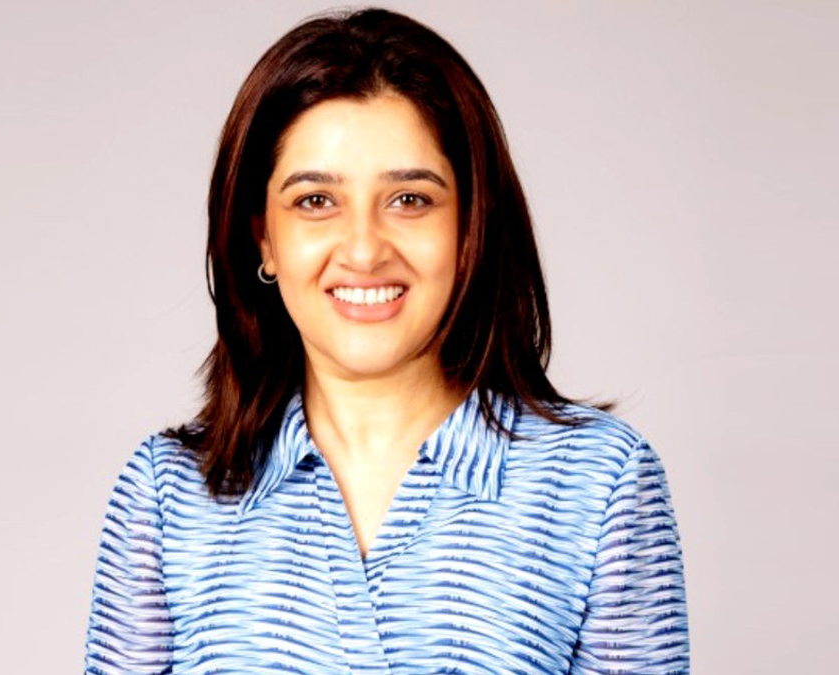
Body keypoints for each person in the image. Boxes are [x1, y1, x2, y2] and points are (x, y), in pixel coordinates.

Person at [84, 7, 689, 674]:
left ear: (470, 228)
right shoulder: (167, 496)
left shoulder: (600, 484)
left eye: (409, 199)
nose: (365, 249)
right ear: (264, 238)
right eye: (316, 200)